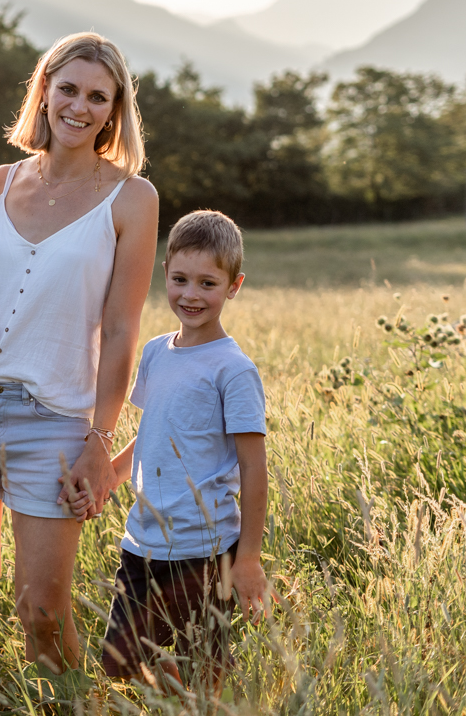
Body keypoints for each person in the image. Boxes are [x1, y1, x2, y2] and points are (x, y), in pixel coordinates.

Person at [0, 32, 159, 708]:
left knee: (41, 609)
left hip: (52, 422)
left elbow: (119, 329)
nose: (79, 106)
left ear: (114, 113)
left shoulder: (133, 200)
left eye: (97, 97)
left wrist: (98, 438)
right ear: (44, 91)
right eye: (69, 89)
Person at [100, 209, 270, 692]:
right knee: (120, 660)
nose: (190, 295)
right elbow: (153, 429)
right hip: (143, 540)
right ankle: (177, 698)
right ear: (165, 272)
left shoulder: (232, 370)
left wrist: (249, 559)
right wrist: (108, 477)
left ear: (234, 285)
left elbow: (254, 470)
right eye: (180, 279)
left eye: (207, 283)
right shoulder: (155, 351)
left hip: (205, 546)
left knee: (206, 666)